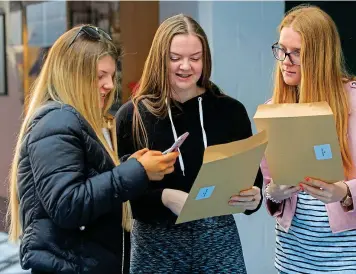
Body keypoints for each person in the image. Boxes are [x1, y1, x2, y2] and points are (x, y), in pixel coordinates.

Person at [7, 25, 179, 274]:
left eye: (111, 75)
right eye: (100, 76)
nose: (109, 85)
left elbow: (87, 179)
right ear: (72, 74)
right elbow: (68, 205)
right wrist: (137, 171)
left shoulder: (71, 120)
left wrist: (131, 165)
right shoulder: (56, 122)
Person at [115, 14, 263, 273]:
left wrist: (254, 197)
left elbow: (253, 176)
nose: (186, 66)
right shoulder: (132, 115)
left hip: (218, 243)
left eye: (195, 58)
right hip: (155, 247)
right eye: (175, 58)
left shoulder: (230, 111)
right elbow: (124, 194)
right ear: (160, 58)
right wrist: (164, 197)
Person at [262, 5, 356, 274]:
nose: (285, 61)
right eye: (281, 50)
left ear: (320, 55)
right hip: (292, 258)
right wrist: (274, 192)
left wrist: (344, 192)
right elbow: (270, 184)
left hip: (350, 259)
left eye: (297, 53)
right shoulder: (274, 107)